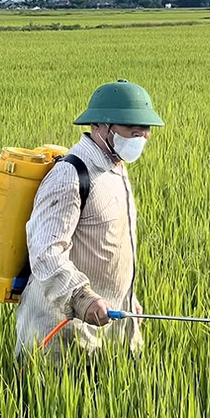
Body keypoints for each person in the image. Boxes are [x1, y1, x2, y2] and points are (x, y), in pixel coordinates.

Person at [15, 79, 164, 360]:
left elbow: (109, 249)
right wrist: (82, 298)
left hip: (104, 327)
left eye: (145, 129)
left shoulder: (115, 169)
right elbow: (46, 253)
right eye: (131, 128)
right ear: (100, 126)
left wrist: (127, 300)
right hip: (58, 331)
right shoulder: (70, 175)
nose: (141, 135)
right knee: (58, 403)